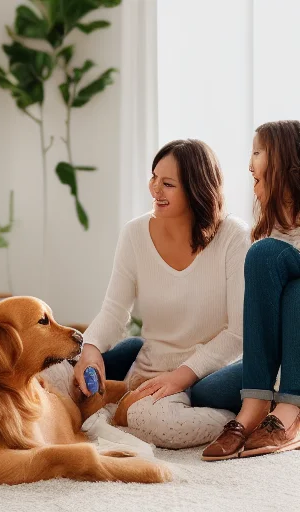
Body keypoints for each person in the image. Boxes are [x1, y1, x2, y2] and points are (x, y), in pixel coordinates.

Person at [71, 139, 251, 449]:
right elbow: (115, 312)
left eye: (167, 184)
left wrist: (180, 377)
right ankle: (131, 407)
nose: (155, 189)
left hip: (207, 373)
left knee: (152, 421)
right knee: (55, 375)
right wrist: (90, 349)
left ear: (196, 190)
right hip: (150, 371)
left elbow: (237, 333)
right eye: (154, 177)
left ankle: (245, 421)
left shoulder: (233, 236)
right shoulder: (135, 234)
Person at [203, 120, 300, 460]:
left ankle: (284, 411)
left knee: (294, 289)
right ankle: (260, 401)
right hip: (272, 361)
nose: (248, 164)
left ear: (285, 159)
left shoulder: (269, 251)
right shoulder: (267, 230)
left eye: (257, 152)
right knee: (206, 392)